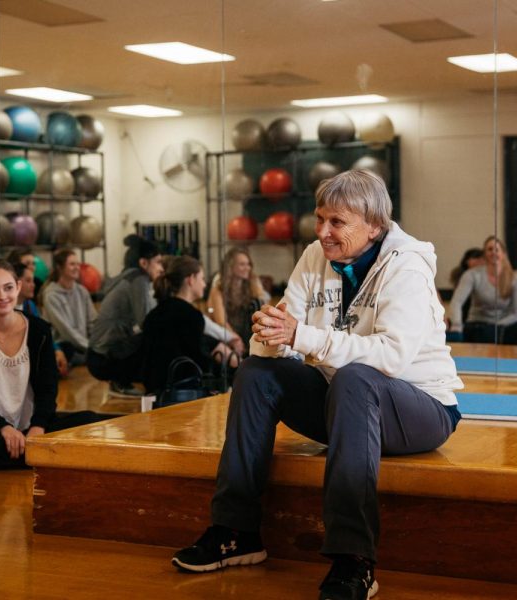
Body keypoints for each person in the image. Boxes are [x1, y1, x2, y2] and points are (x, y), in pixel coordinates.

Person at [171, 171, 463, 600]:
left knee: (357, 376)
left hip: (419, 408)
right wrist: (268, 333)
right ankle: (236, 530)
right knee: (255, 373)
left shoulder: (407, 267)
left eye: (337, 222)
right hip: (344, 405)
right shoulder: (314, 256)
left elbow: (390, 359)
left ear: (375, 226)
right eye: (319, 219)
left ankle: (355, 559)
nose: (323, 232)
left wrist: (298, 336)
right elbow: (281, 340)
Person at [0, 259, 104, 472]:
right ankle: (34, 457)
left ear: (17, 287)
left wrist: (38, 426)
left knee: (91, 421)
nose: (2, 296)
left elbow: (47, 389)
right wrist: (4, 428)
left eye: (8, 288)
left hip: (32, 427)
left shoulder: (39, 330)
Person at [141, 256, 239, 396]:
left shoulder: (155, 314)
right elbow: (197, 359)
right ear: (191, 279)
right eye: (202, 279)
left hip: (155, 390)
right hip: (181, 393)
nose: (205, 285)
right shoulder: (191, 316)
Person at [87, 234, 164, 397]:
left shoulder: (129, 276)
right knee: (155, 336)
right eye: (158, 262)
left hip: (98, 356)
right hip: (105, 359)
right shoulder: (139, 280)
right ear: (143, 263)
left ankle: (122, 380)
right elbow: (148, 322)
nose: (161, 268)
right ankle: (121, 381)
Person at [446, 236, 517, 345]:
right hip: (477, 325)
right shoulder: (472, 275)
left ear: (503, 254)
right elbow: (457, 302)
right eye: (489, 249)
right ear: (484, 254)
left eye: (496, 249)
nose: (493, 252)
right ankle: (500, 339)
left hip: (502, 326)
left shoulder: (516, 279)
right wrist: (457, 326)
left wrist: (496, 326)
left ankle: (495, 338)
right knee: (479, 331)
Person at [206, 247, 269, 356]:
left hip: (249, 334)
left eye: (248, 264)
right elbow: (221, 322)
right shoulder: (218, 289)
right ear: (231, 267)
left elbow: (264, 310)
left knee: (257, 303)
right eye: (242, 264)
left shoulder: (253, 284)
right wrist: (235, 339)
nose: (247, 268)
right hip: (228, 336)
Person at [40, 249, 96, 367]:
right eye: (72, 264)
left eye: (77, 264)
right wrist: (91, 348)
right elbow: (66, 331)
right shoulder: (51, 295)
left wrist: (97, 344)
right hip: (64, 346)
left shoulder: (82, 291)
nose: (77, 267)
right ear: (60, 268)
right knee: (68, 348)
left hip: (84, 346)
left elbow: (93, 321)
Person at [13, 261, 69, 377]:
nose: (33, 285)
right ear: (16, 284)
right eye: (28, 281)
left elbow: (44, 333)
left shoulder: (29, 305)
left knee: (66, 349)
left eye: (33, 280)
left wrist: (57, 351)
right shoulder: (7, 309)